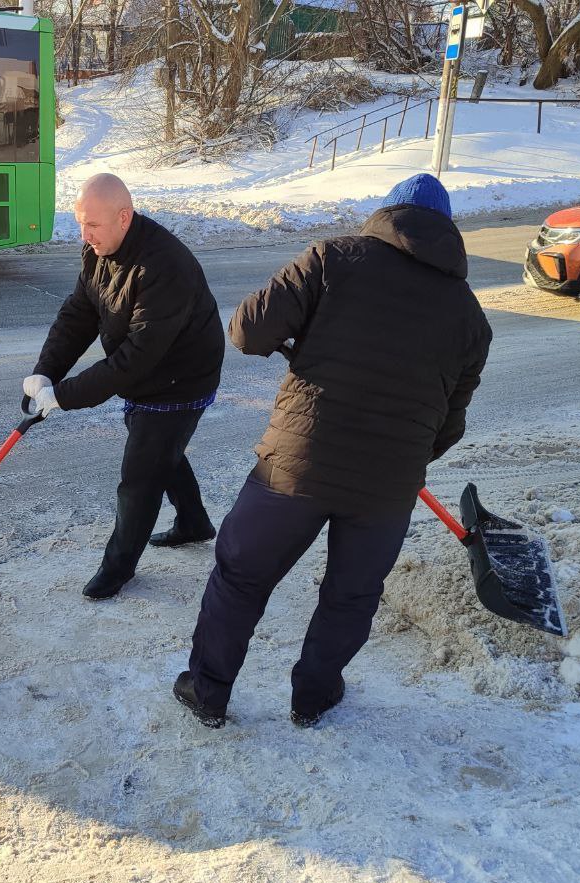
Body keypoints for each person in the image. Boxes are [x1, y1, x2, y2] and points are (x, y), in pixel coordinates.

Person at [173, 174, 492, 728]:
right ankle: (313, 698)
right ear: (448, 231)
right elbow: (450, 424)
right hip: (389, 485)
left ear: (387, 212)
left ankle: (208, 691)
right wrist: (406, 452)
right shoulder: (471, 318)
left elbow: (248, 332)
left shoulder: (333, 258)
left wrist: (297, 341)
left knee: (241, 575)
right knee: (351, 594)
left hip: (297, 463)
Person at [24, 173, 225, 601]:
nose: (84, 235)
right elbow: (78, 314)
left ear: (124, 216)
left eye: (92, 225)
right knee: (159, 452)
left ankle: (116, 570)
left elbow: (136, 357)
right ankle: (194, 524)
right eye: (80, 224)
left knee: (139, 476)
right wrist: (46, 372)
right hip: (148, 376)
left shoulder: (164, 265)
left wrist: (65, 396)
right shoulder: (98, 250)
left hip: (180, 380)